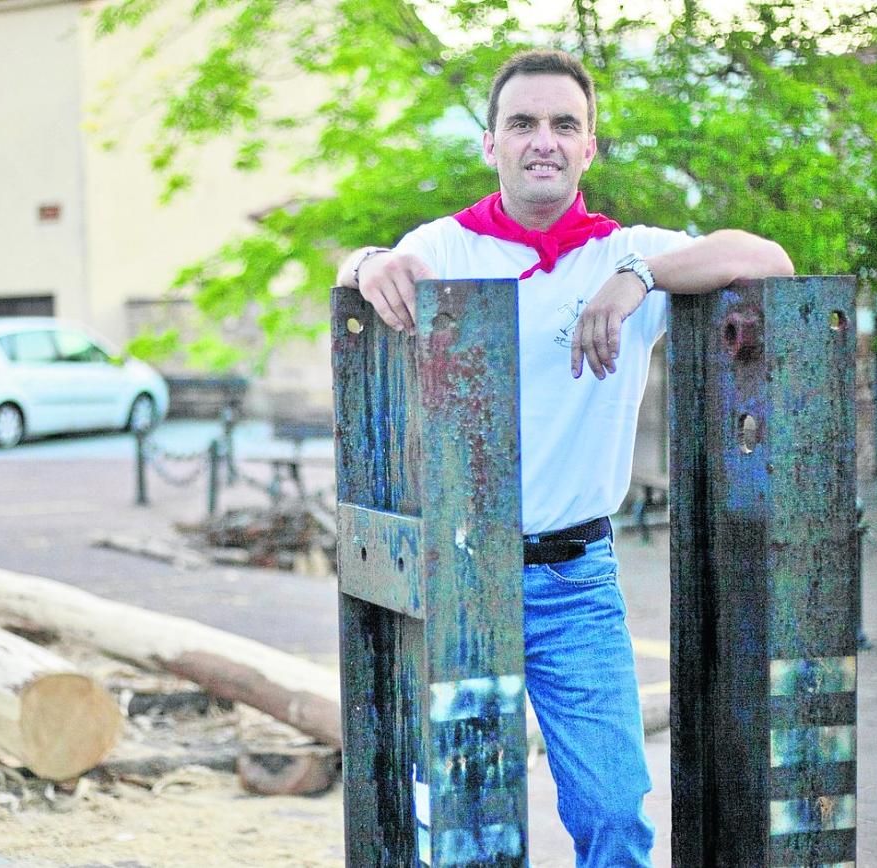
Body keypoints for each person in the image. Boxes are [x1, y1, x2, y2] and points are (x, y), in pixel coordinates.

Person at [336, 50, 793, 867]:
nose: (542, 140)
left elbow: (767, 260)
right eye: (522, 123)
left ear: (589, 148)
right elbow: (354, 278)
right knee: (465, 829)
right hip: (457, 577)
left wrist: (636, 278)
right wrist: (371, 263)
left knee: (616, 814)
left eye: (563, 124)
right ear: (491, 145)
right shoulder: (443, 248)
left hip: (575, 581)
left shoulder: (626, 251)